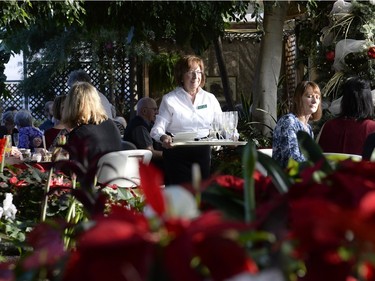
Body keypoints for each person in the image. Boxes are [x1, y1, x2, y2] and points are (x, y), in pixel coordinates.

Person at [150, 55, 222, 185]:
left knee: (201, 196)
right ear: (181, 76)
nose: (196, 76)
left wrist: (232, 136)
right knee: (179, 197)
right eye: (190, 72)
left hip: (202, 152)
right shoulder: (170, 99)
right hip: (177, 153)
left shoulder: (210, 99)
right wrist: (163, 138)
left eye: (198, 71)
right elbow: (156, 130)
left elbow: (222, 124)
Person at [61, 81, 122, 164]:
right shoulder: (111, 125)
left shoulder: (79, 134)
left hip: (95, 176)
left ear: (71, 105)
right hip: (117, 175)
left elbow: (75, 173)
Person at [317, 77, 375, 156]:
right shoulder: (372, 128)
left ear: (344, 100)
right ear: (368, 101)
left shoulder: (327, 126)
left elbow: (315, 159)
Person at [272, 81, 322, 168]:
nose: (314, 101)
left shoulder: (308, 128)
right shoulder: (289, 122)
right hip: (284, 179)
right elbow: (292, 160)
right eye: (309, 96)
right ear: (297, 99)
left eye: (317, 97)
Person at [123, 97, 163, 167]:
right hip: (146, 169)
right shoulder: (140, 127)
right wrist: (170, 155)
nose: (157, 112)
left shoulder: (148, 124)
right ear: (144, 111)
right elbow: (151, 153)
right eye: (154, 109)